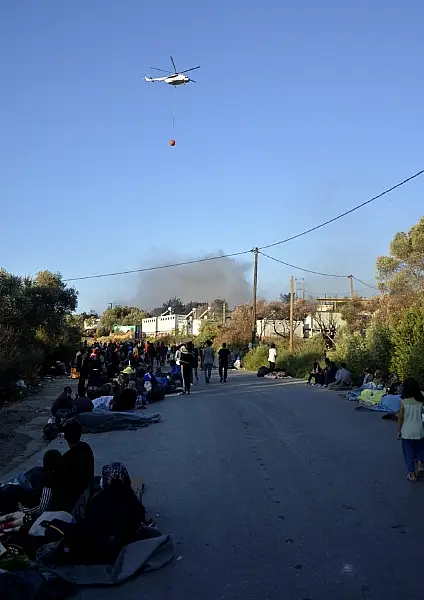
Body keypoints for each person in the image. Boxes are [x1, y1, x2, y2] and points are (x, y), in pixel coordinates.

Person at [18, 449, 69, 517]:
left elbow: (41, 508)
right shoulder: (66, 473)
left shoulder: (49, 484)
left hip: (51, 511)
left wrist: (23, 509)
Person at [397, 377, 424, 482]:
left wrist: (398, 431)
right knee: (421, 449)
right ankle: (420, 466)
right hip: (420, 430)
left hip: (407, 432)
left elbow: (400, 418)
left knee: (408, 453)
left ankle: (411, 474)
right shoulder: (421, 397)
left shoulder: (403, 402)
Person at [62, 419, 95, 506]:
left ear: (65, 437)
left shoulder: (67, 458)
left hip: (76, 497)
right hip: (87, 488)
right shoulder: (86, 447)